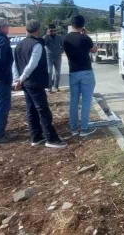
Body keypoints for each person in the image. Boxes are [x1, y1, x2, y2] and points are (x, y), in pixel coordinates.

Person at [13, 20, 67, 149]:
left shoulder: (19, 45)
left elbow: (14, 64)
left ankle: (36, 137)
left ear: (26, 30)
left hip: (26, 83)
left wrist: (17, 79)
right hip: (34, 82)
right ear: (38, 30)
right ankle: (51, 138)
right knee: (43, 110)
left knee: (31, 110)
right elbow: (32, 64)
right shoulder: (36, 45)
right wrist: (21, 79)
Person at [64, 15, 98, 137]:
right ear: (83, 25)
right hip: (86, 72)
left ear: (71, 24)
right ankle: (84, 128)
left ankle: (73, 129)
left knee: (74, 101)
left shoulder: (66, 38)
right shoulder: (85, 38)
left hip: (73, 72)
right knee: (86, 101)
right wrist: (86, 35)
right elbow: (94, 50)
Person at [45, 23, 63, 93]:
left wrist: (60, 52)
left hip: (58, 57)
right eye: (51, 31)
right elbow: (44, 43)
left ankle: (56, 86)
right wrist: (47, 35)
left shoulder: (59, 37)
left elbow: (63, 46)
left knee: (57, 72)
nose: (53, 32)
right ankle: (49, 87)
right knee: (49, 72)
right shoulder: (46, 37)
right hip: (49, 57)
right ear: (49, 30)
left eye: (54, 30)